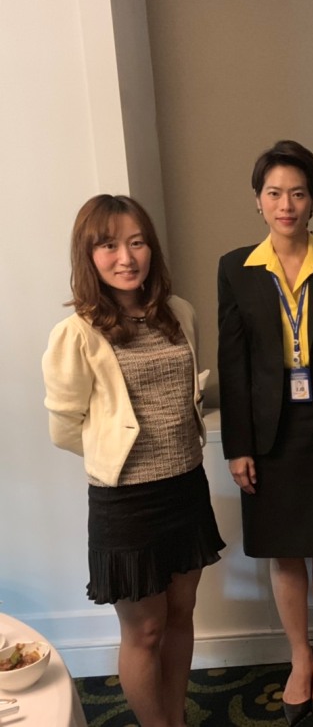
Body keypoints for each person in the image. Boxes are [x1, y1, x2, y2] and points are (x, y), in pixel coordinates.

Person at [42, 195, 225, 727]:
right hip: (126, 501)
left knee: (182, 615)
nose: (126, 257)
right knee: (144, 630)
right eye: (108, 245)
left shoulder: (180, 313)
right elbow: (65, 428)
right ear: (88, 255)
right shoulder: (76, 333)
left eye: (137, 242)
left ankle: (175, 718)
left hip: (186, 486)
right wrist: (119, 456)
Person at [217, 140, 313, 727]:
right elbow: (232, 363)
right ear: (258, 200)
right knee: (282, 550)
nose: (286, 205)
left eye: (298, 193)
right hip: (267, 432)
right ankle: (299, 658)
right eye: (275, 193)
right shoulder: (236, 268)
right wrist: (238, 446)